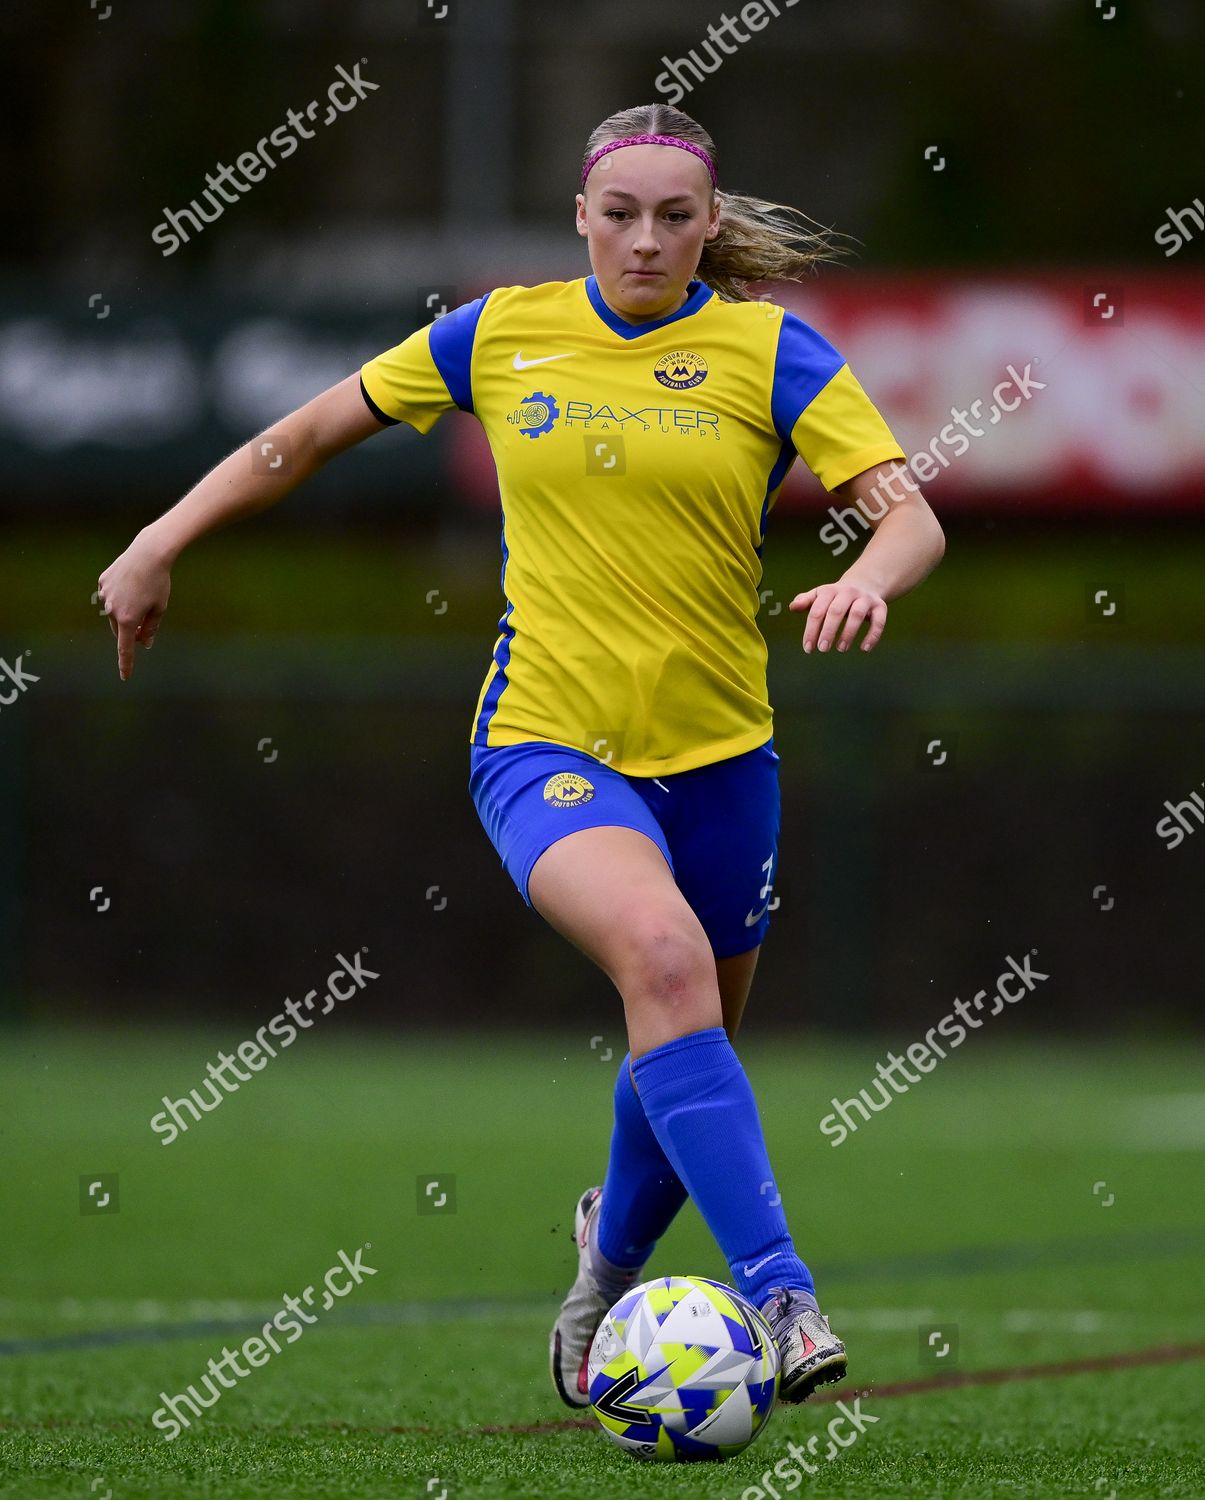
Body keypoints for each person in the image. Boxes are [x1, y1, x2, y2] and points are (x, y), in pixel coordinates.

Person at [98, 102, 944, 1408]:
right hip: (545, 743)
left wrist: (872, 578)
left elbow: (910, 517)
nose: (646, 240)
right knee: (659, 961)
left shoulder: (769, 351)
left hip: (724, 760)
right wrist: (160, 538)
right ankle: (778, 1294)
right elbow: (308, 434)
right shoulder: (500, 331)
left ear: (708, 224)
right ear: (578, 218)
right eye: (619, 214)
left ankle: (603, 1269)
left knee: (691, 1031)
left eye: (674, 217)